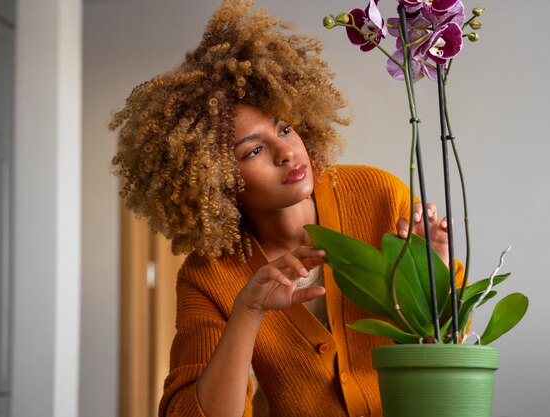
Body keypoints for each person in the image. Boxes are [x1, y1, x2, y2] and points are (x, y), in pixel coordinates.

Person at [109, 1, 460, 416]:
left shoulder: (379, 195)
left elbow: (450, 357)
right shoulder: (211, 275)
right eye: (253, 150)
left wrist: (432, 272)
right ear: (214, 178)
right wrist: (248, 311)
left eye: (286, 128)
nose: (286, 152)